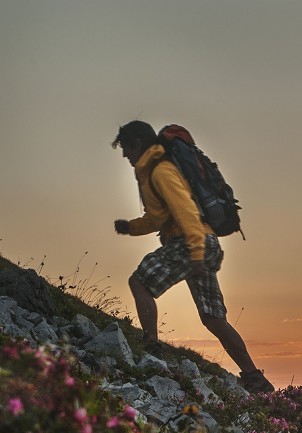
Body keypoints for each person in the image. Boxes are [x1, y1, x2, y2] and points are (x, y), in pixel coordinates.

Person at [112, 120, 274, 394]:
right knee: (213, 318)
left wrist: (196, 253)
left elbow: (185, 211)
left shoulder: (160, 170)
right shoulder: (156, 170)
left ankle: (150, 346)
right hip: (204, 242)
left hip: (191, 243)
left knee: (139, 282)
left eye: (126, 148)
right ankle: (255, 378)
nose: (125, 155)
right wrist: (131, 227)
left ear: (137, 144)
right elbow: (160, 217)